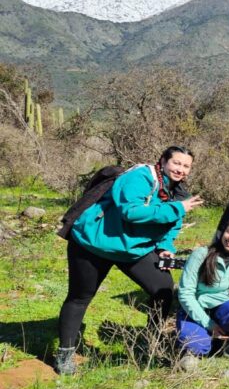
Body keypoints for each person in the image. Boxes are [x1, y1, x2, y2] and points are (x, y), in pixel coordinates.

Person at [57, 146, 203, 375]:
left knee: (163, 289)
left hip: (134, 248)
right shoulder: (141, 176)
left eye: (186, 166)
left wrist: (165, 247)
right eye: (176, 163)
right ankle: (65, 353)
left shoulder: (178, 191)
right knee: (79, 298)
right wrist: (178, 208)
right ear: (163, 161)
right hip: (94, 243)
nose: (181, 170)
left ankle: (151, 341)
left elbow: (173, 222)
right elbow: (131, 212)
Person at [177, 217, 229, 356]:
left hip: (223, 311)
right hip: (196, 309)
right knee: (196, 347)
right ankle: (205, 340)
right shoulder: (201, 254)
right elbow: (185, 293)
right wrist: (209, 323)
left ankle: (228, 342)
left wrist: (209, 300)